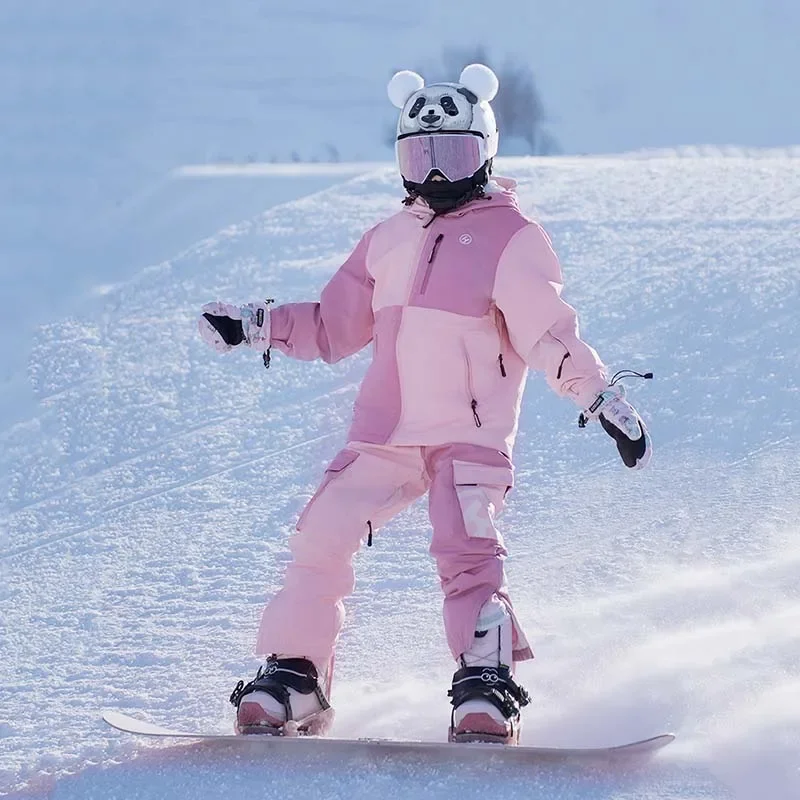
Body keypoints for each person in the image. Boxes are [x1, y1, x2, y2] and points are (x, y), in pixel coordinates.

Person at [198, 64, 652, 745]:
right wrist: (256, 324)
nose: (436, 177)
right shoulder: (388, 236)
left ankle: (485, 683)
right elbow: (331, 324)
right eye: (420, 157)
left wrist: (600, 396)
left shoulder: (511, 236)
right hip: (385, 433)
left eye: (454, 156)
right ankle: (296, 674)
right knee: (321, 533)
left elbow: (549, 333)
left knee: (466, 549)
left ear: (486, 152)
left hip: (467, 436)